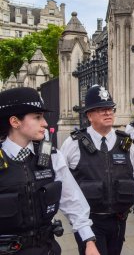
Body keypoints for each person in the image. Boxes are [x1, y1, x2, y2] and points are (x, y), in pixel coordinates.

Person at [60, 85, 134, 255]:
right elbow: (60, 180)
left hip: (119, 220)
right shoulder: (73, 143)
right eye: (101, 109)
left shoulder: (125, 142)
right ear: (89, 115)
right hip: (89, 222)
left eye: (110, 109)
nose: (108, 113)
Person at [0, 87, 99, 255]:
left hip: (47, 249)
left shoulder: (51, 155)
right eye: (37, 117)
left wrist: (89, 241)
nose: (45, 123)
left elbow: (72, 199)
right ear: (15, 122)